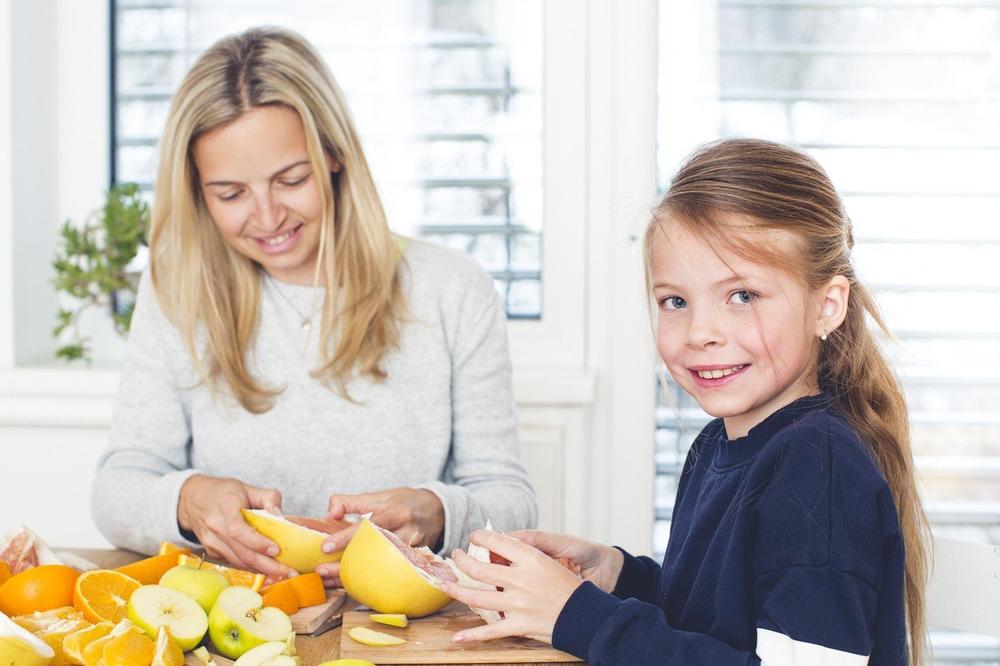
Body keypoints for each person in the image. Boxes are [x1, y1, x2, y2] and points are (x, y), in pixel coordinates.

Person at [442, 138, 930, 665]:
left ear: (827, 306)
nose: (700, 331)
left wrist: (578, 616)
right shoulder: (721, 444)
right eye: (675, 301)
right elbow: (715, 623)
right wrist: (615, 574)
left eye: (742, 295)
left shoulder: (817, 466)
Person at [90, 27, 537, 585]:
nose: (268, 215)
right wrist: (188, 499)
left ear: (333, 155)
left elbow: (510, 501)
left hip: (401, 623)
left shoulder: (451, 290)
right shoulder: (178, 291)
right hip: (239, 619)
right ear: (198, 191)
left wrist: (436, 512)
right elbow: (116, 488)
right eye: (231, 194)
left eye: (290, 179)